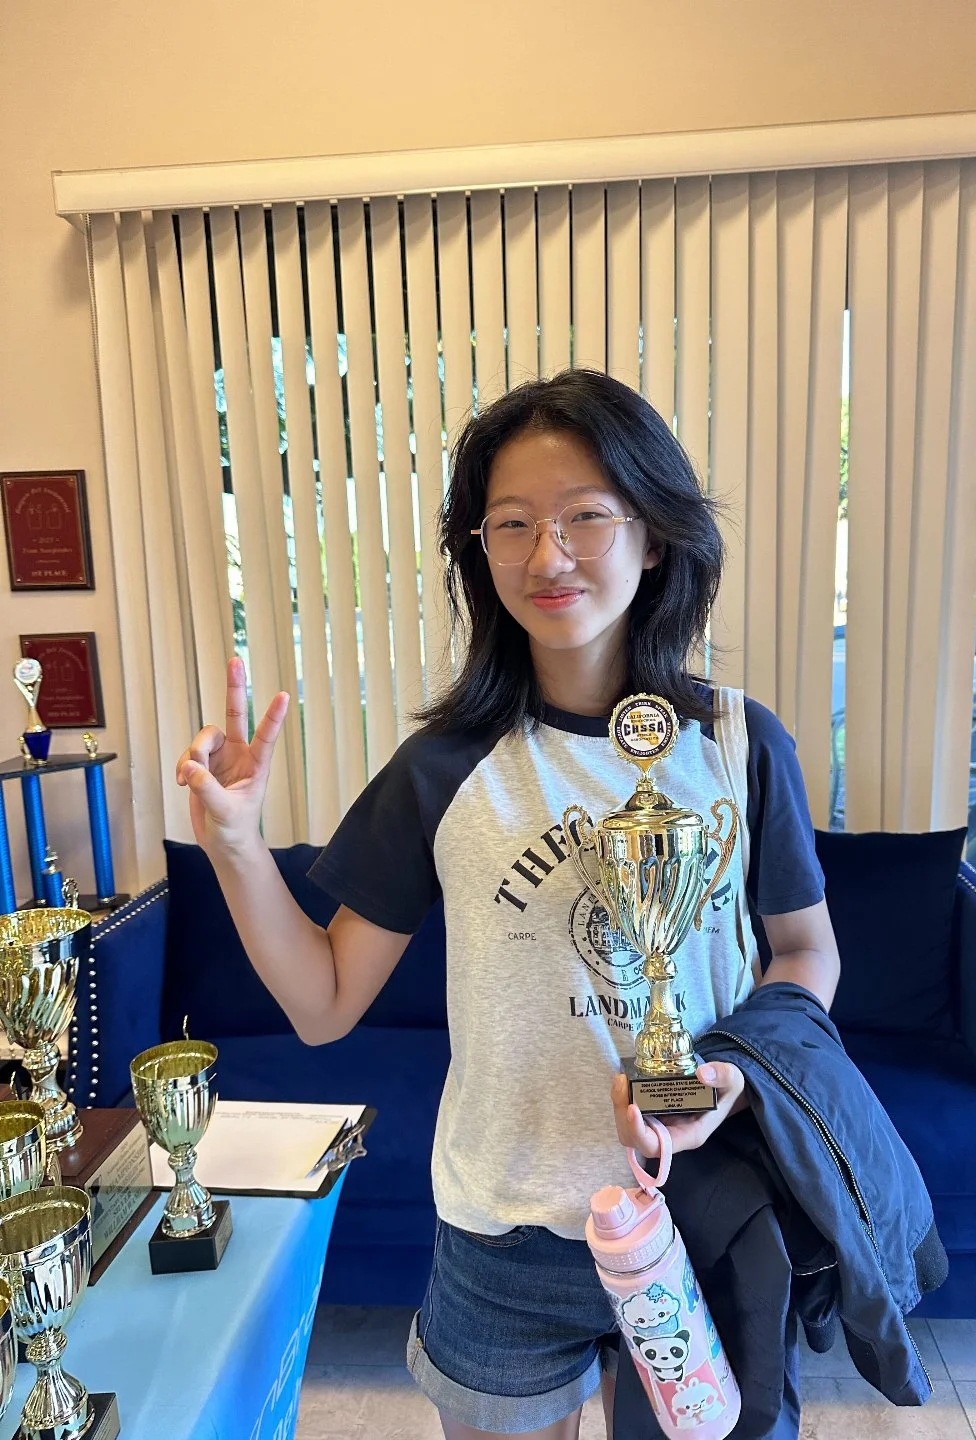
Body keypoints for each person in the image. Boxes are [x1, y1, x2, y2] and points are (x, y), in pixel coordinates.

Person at [177, 369, 841, 1440]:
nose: (550, 555)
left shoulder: (738, 743)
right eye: (513, 524)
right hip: (503, 1231)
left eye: (587, 516)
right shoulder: (445, 766)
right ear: (478, 553)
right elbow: (323, 1004)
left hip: (705, 1198)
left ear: (654, 535)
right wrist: (238, 844)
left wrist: (729, 1076)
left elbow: (805, 953)